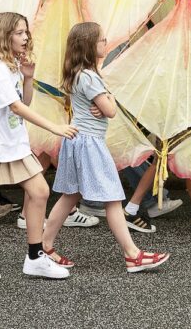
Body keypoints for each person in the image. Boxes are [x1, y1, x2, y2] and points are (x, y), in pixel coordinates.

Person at [0, 12, 77, 282]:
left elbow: (24, 104)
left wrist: (28, 78)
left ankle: (35, 257)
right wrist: (54, 127)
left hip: (12, 144)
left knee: (40, 191)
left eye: (26, 32)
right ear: (4, 35)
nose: (26, 37)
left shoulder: (10, 67)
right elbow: (16, 107)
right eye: (20, 33)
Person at [40, 23, 168, 273]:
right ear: (89, 46)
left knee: (70, 196)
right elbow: (110, 110)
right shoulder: (89, 77)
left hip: (77, 140)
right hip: (90, 143)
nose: (105, 42)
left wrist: (106, 101)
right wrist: (108, 99)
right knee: (112, 197)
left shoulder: (79, 74)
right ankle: (132, 255)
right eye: (101, 40)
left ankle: (44, 246)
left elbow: (106, 108)